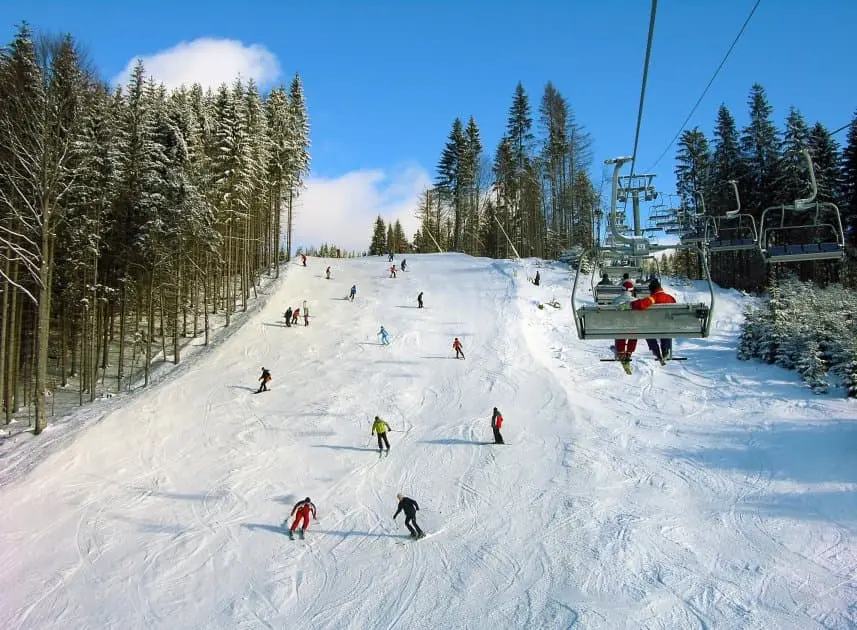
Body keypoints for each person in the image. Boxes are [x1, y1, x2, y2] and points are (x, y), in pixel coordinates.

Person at [635, 278, 676, 363]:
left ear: (652, 290)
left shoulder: (653, 298)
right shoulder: (670, 298)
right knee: (666, 329)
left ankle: (655, 349)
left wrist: (631, 304)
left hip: (654, 325)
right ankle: (665, 349)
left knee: (647, 330)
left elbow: (641, 305)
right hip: (667, 325)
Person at [612, 284, 636, 363]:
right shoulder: (635, 301)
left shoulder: (615, 301)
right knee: (634, 330)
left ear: (622, 290)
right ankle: (629, 353)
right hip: (633, 327)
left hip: (620, 327)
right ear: (632, 291)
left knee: (620, 328)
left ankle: (621, 352)